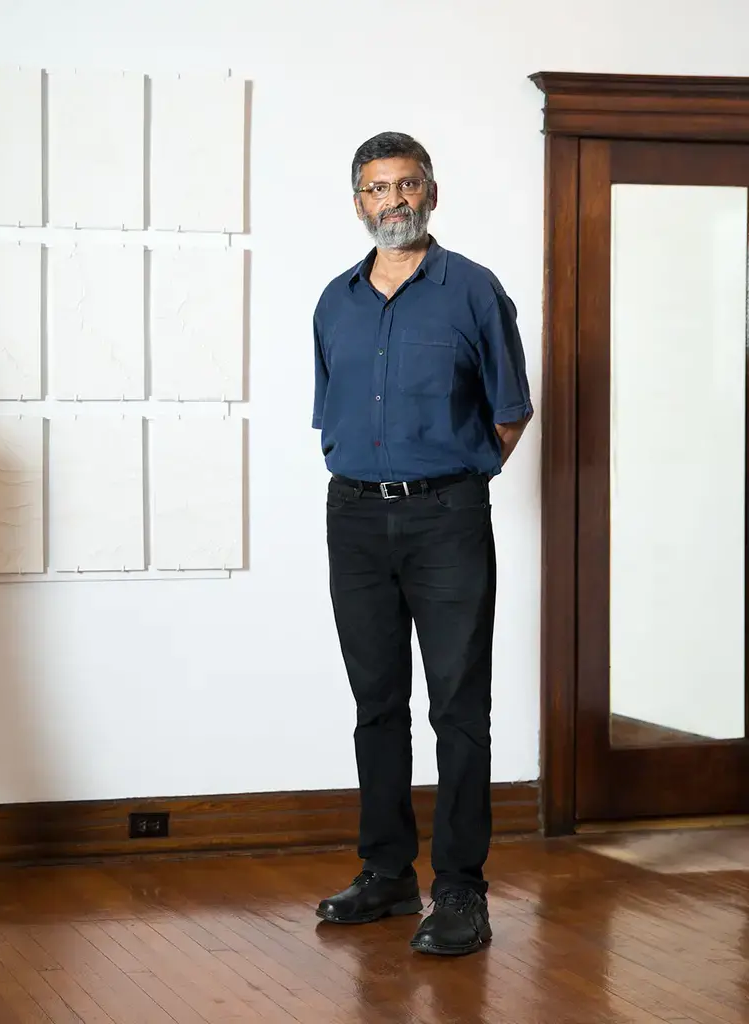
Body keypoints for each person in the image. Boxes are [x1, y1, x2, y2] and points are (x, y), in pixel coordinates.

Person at [310, 133, 532, 956]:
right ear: (357, 201)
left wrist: (451, 483)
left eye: (405, 185)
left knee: (457, 709)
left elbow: (510, 412)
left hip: (447, 519)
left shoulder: (474, 292)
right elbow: (331, 413)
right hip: (355, 520)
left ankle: (462, 890)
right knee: (376, 705)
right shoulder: (335, 300)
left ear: (431, 193)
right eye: (375, 188)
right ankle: (387, 874)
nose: (391, 201)